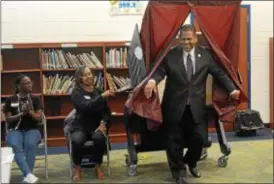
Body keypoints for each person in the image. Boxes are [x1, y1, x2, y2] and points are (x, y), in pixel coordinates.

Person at [144, 24, 240, 184]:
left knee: (200, 138)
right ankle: (178, 172)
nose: (186, 42)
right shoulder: (171, 55)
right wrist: (152, 81)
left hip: (196, 107)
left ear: (195, 38)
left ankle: (191, 162)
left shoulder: (206, 56)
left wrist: (231, 89)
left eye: (189, 39)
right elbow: (160, 71)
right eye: (183, 39)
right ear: (178, 39)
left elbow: (219, 73)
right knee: (174, 141)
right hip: (174, 106)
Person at [70, 66, 114, 181]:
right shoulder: (76, 92)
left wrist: (103, 123)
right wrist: (102, 96)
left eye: (90, 73)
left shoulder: (98, 90)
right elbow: (86, 106)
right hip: (80, 126)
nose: (89, 76)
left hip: (96, 125)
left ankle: (98, 165)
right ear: (80, 78)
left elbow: (106, 111)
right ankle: (78, 167)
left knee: (99, 138)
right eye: (85, 75)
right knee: (77, 140)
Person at [4, 75, 42, 183]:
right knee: (16, 145)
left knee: (30, 144)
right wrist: (21, 114)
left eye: (30, 82)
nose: (30, 84)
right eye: (26, 83)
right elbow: (8, 120)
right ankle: (28, 174)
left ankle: (28, 176)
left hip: (32, 130)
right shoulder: (10, 100)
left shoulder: (35, 99)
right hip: (15, 130)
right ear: (18, 85)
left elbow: (39, 118)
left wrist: (30, 112)